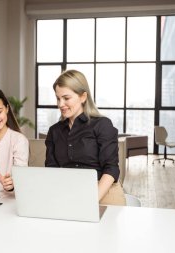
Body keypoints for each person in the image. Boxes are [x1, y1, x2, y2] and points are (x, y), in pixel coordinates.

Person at [45, 70, 126, 206]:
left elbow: (111, 169)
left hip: (103, 192)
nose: (60, 104)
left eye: (66, 98)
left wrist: (89, 201)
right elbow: (52, 171)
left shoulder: (102, 125)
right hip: (67, 194)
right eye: (58, 98)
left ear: (83, 97)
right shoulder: (54, 131)